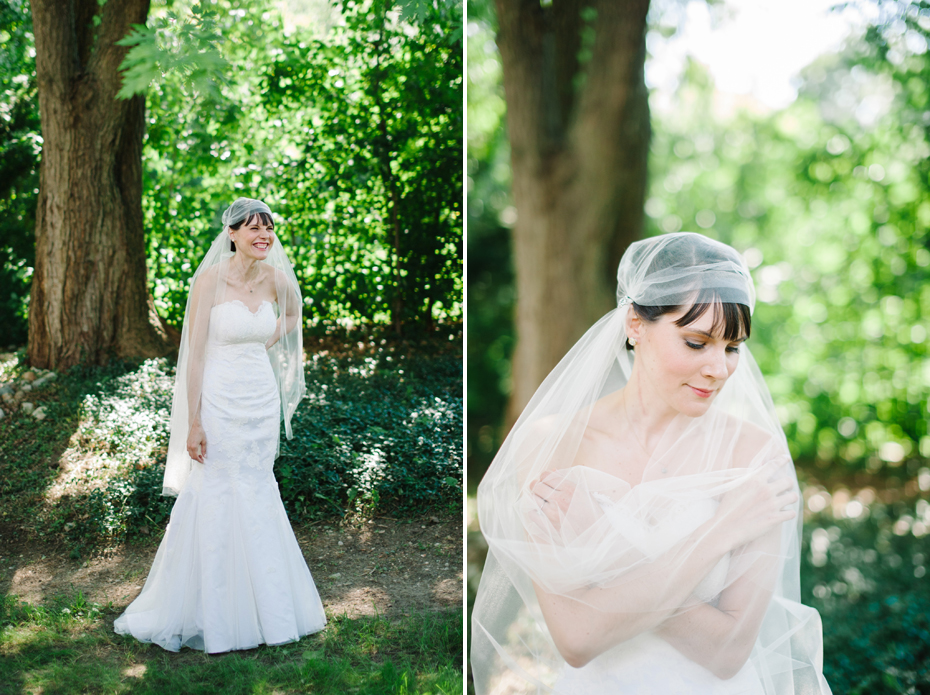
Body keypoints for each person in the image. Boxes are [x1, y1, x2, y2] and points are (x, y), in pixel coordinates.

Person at [471, 233, 831, 694]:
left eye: (733, 347)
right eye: (697, 342)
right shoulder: (553, 446)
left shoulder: (755, 457)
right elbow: (577, 639)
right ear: (635, 325)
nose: (719, 368)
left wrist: (605, 554)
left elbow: (727, 651)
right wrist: (720, 531)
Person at [114, 198, 326, 653]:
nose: (263, 236)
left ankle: (267, 605)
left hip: (259, 401)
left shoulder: (275, 278)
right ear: (231, 233)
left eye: (268, 229)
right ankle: (211, 608)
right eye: (253, 229)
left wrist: (262, 341)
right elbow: (194, 353)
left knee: (256, 487)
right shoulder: (209, 280)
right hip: (218, 399)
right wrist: (194, 421)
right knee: (216, 489)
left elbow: (293, 313)